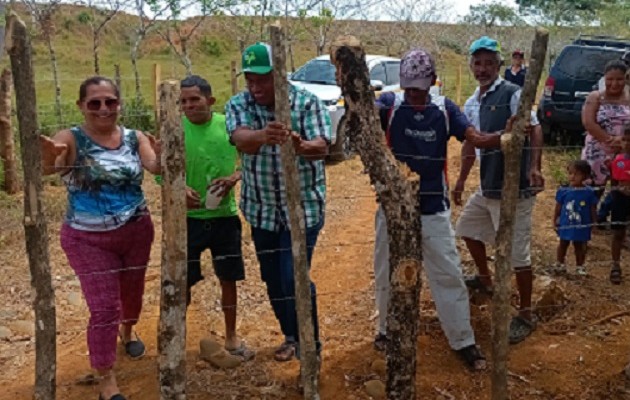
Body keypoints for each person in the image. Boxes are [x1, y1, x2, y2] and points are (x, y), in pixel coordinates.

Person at [39, 76, 161, 400]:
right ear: (81, 106)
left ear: (119, 104)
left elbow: (154, 164)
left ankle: (128, 330)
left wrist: (165, 153)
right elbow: (50, 167)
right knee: (105, 307)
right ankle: (106, 378)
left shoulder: (135, 138)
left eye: (110, 102)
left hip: (136, 230)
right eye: (95, 103)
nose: (103, 109)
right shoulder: (72, 138)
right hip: (86, 238)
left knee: (132, 295)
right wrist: (51, 157)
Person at [373, 49, 488, 370]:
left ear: (432, 84)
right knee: (385, 268)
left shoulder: (445, 109)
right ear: (402, 85)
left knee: (448, 272)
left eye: (420, 91)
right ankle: (384, 331)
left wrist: (501, 136)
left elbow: (472, 136)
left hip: (433, 206)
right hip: (393, 208)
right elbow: (369, 111)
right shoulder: (391, 106)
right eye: (409, 89)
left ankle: (463, 340)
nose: (415, 96)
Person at [225, 42, 331, 363]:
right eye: (250, 80)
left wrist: (299, 144)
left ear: (280, 75)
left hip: (303, 209)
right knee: (272, 277)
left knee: (293, 275)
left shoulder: (307, 103)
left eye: (263, 79)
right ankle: (291, 334)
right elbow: (240, 138)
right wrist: (262, 136)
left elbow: (322, 146)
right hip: (262, 210)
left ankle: (310, 345)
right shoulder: (239, 104)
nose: (255, 88)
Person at [454, 36, 544, 345]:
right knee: (467, 228)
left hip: (514, 187)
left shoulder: (513, 93)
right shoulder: (471, 102)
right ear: (471, 66)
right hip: (488, 185)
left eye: (489, 63)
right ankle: (485, 278)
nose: (482, 69)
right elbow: (470, 142)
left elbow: (534, 129)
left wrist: (534, 167)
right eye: (477, 63)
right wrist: (462, 179)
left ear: (499, 65)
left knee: (518, 255)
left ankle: (527, 313)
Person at [176, 75, 253, 360]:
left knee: (228, 278)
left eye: (194, 99)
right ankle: (177, 337)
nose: (189, 105)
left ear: (210, 100)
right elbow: (161, 170)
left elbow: (250, 159)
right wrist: (178, 188)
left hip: (224, 216)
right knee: (182, 280)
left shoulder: (228, 125)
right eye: (183, 101)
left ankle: (231, 335)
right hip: (189, 219)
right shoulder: (175, 130)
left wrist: (234, 177)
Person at [551, 160, 598, 276]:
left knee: (579, 246)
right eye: (570, 173)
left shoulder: (589, 192)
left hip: (582, 224)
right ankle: (560, 263)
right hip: (566, 223)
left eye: (576, 174)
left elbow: (593, 208)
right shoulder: (563, 191)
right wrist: (554, 220)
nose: (572, 176)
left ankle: (580, 266)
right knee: (563, 243)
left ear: (585, 176)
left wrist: (594, 222)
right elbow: (558, 207)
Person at [609, 127, 630, 284]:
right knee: (618, 233)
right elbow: (613, 183)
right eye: (625, 140)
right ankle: (615, 265)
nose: (627, 144)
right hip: (620, 199)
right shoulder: (618, 159)